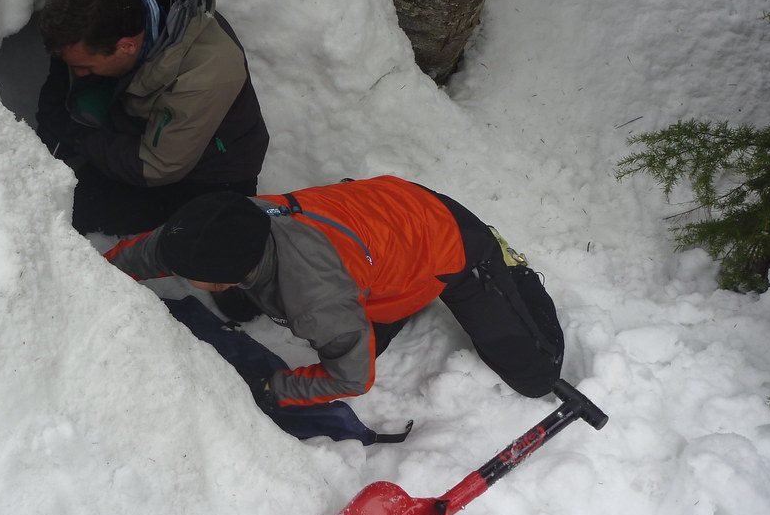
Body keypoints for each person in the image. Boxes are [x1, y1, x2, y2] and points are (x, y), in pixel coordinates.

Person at [105, 175, 564, 409]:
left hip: (449, 240)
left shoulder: (314, 302)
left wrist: (273, 388)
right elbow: (158, 251)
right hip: (379, 222)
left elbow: (351, 379)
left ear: (229, 273)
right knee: (356, 323)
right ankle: (391, 283)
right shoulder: (231, 219)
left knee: (535, 376)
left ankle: (507, 267)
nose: (178, 273)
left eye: (188, 274)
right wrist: (100, 272)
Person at [35, 0, 269, 235]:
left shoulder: (206, 75)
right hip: (145, 121)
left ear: (126, 47)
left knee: (72, 207)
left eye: (85, 67)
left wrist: (76, 134)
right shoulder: (114, 3)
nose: (80, 73)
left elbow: (157, 167)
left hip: (205, 174)